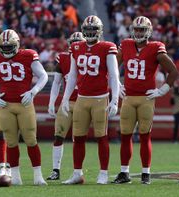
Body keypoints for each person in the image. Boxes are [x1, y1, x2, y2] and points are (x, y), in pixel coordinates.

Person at [112, 16, 178, 184]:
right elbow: (112, 67)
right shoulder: (126, 44)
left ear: (148, 31)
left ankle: (145, 173)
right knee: (125, 136)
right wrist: (117, 84)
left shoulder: (156, 47)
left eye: (142, 29)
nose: (139, 32)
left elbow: (173, 71)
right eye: (137, 29)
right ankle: (124, 173)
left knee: (144, 136)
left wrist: (162, 90)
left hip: (146, 98)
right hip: (128, 97)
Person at [61, 15, 120, 185]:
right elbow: (72, 75)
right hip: (81, 98)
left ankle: (103, 173)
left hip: (100, 99)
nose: (90, 33)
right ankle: (77, 173)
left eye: (93, 29)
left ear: (99, 31)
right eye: (87, 30)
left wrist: (114, 99)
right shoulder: (76, 47)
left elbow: (114, 75)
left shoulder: (107, 47)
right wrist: (65, 98)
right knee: (78, 137)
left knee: (101, 137)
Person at [0, 29, 48, 186]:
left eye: (10, 46)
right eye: (4, 47)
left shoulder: (28, 55)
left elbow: (44, 75)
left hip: (24, 104)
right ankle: (15, 176)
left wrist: (33, 91)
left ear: (17, 44)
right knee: (11, 142)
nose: (6, 50)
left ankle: (38, 175)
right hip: (5, 105)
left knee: (31, 140)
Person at [46, 32, 86, 181]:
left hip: (84, 101)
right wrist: (51, 102)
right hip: (67, 103)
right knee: (58, 136)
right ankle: (56, 170)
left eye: (78, 42)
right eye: (73, 42)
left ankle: (78, 171)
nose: (75, 44)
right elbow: (56, 83)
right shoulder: (63, 58)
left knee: (79, 139)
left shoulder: (89, 57)